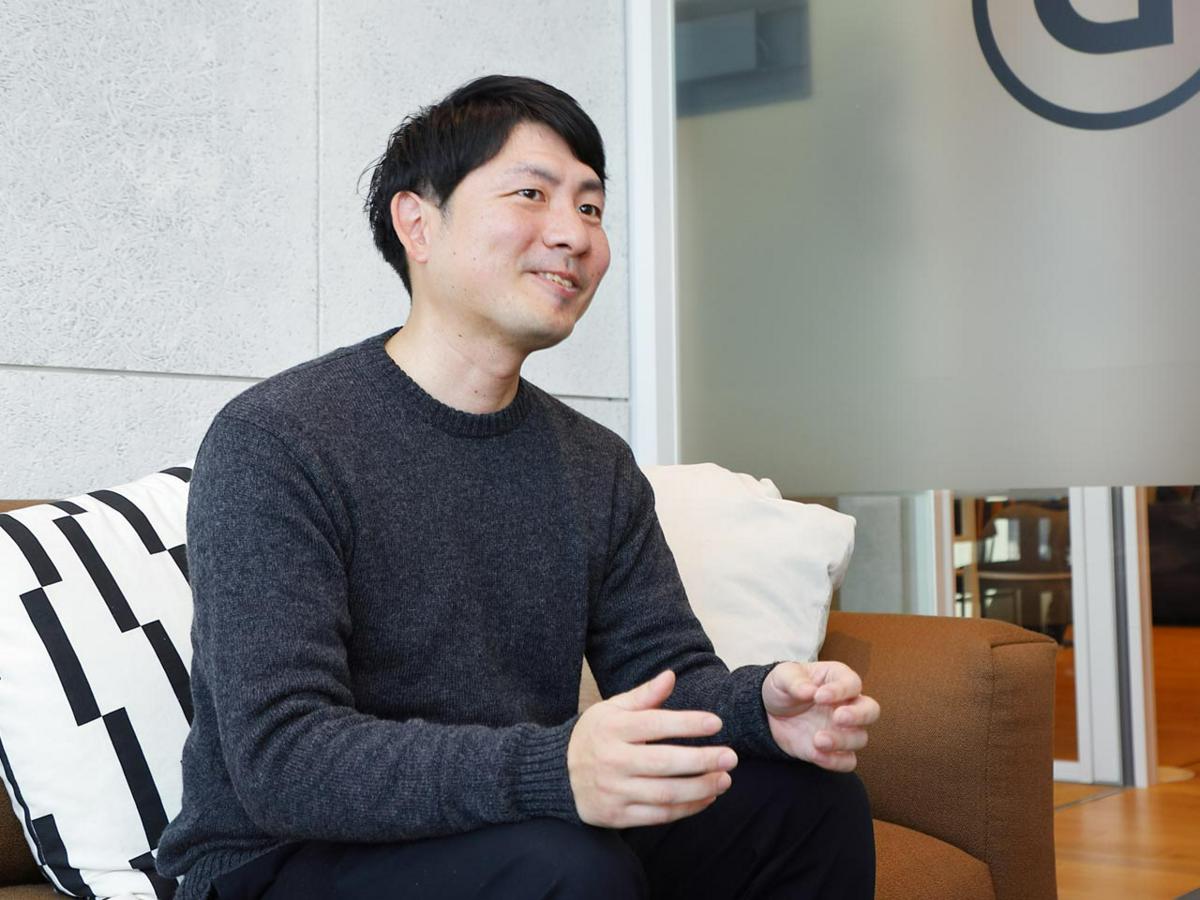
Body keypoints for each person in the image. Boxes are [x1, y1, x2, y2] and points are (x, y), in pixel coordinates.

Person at [156, 74, 879, 900]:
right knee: (565, 865)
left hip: (507, 821)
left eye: (590, 207)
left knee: (805, 806)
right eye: (532, 194)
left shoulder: (593, 463)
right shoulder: (279, 439)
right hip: (281, 858)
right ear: (417, 223)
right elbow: (285, 757)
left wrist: (761, 708)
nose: (572, 233)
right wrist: (553, 768)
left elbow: (667, 675)